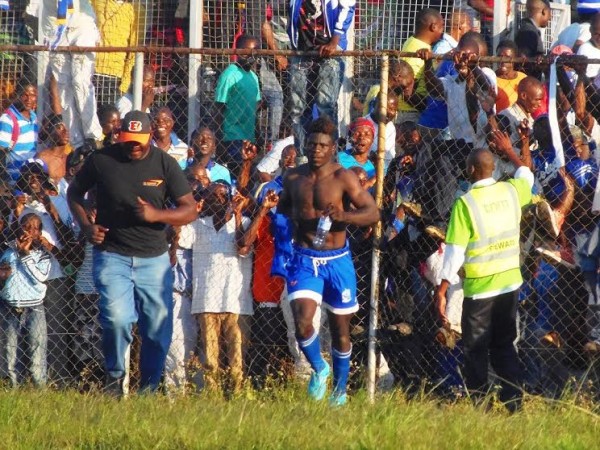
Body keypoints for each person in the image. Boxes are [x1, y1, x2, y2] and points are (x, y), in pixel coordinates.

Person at [66, 110, 197, 395]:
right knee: (117, 319)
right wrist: (87, 226)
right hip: (113, 254)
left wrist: (156, 215)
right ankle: (114, 378)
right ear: (119, 136)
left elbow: (190, 209)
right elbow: (74, 193)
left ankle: (147, 391)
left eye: (139, 140)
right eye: (128, 140)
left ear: (150, 135)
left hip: (154, 259)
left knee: (157, 330)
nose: (133, 146)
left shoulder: (165, 164)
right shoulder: (101, 161)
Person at [278, 116, 379, 405]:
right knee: (302, 323)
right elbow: (285, 206)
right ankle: (320, 369)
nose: (317, 150)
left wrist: (344, 217)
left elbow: (372, 213)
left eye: (323, 145)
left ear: (333, 147)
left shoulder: (343, 177)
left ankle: (340, 392)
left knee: (340, 330)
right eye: (312, 144)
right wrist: (278, 204)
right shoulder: (294, 177)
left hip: (337, 260)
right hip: (304, 258)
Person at [435, 139, 534, 412]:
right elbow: (526, 174)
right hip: (509, 284)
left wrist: (442, 290)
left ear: (470, 171)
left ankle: (480, 404)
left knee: (475, 348)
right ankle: (514, 402)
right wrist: (518, 147)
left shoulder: (465, 203)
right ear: (491, 168)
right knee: (504, 345)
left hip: (480, 289)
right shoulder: (512, 191)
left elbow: (454, 252)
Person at [190, 183, 254, 393]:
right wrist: (190, 213)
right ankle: (212, 394)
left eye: (223, 196)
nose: (218, 199)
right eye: (213, 196)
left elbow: (242, 248)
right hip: (206, 299)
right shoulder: (198, 224)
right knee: (209, 356)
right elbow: (178, 239)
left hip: (235, 300)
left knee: (237, 353)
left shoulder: (244, 222)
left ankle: (236, 392)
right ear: (205, 200)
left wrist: (236, 215)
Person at [287, 0, 356, 151]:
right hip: (302, 50)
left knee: (325, 105)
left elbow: (348, 7)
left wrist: (335, 40)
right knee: (298, 109)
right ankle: (302, 156)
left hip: (329, 50)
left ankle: (330, 155)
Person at [43, 0, 104, 154]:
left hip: (81, 23)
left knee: (80, 81)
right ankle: (77, 143)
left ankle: (92, 137)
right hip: (54, 24)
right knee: (64, 87)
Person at [0, 213, 51, 387]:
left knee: (36, 351)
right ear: (18, 228)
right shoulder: (6, 250)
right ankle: (13, 388)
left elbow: (40, 276)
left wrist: (25, 253)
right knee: (9, 351)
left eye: (35, 228)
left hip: (34, 308)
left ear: (40, 233)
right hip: (9, 306)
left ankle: (40, 389)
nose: (30, 231)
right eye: (26, 227)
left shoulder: (42, 254)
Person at [214, 35, 261, 171]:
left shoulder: (253, 77)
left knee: (247, 175)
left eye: (254, 51)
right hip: (232, 136)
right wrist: (219, 141)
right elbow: (218, 109)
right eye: (245, 51)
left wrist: (257, 133)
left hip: (249, 137)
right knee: (236, 172)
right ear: (237, 51)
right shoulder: (229, 75)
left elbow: (255, 108)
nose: (249, 55)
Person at [398, 8, 445, 123]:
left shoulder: (411, 41)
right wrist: (426, 108)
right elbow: (407, 91)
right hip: (410, 112)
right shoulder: (418, 51)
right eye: (441, 26)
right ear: (433, 27)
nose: (443, 30)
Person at [92, 0, 141, 106]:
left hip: (114, 75)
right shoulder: (95, 3)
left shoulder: (131, 10)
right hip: (91, 70)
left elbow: (133, 48)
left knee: (108, 116)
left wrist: (125, 81)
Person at [0, 82, 38, 181]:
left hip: (33, 174)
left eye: (33, 95)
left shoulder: (34, 117)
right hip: (15, 176)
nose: (29, 99)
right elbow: (2, 151)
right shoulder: (8, 119)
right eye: (25, 95)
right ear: (17, 95)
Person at [515, 0, 550, 80]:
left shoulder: (529, 29)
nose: (550, 17)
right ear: (544, 11)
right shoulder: (528, 32)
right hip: (528, 83)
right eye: (550, 13)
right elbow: (524, 61)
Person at [495, 40, 528, 113]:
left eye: (507, 57)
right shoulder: (492, 79)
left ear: (515, 59)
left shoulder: (523, 78)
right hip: (499, 121)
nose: (503, 61)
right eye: (499, 57)